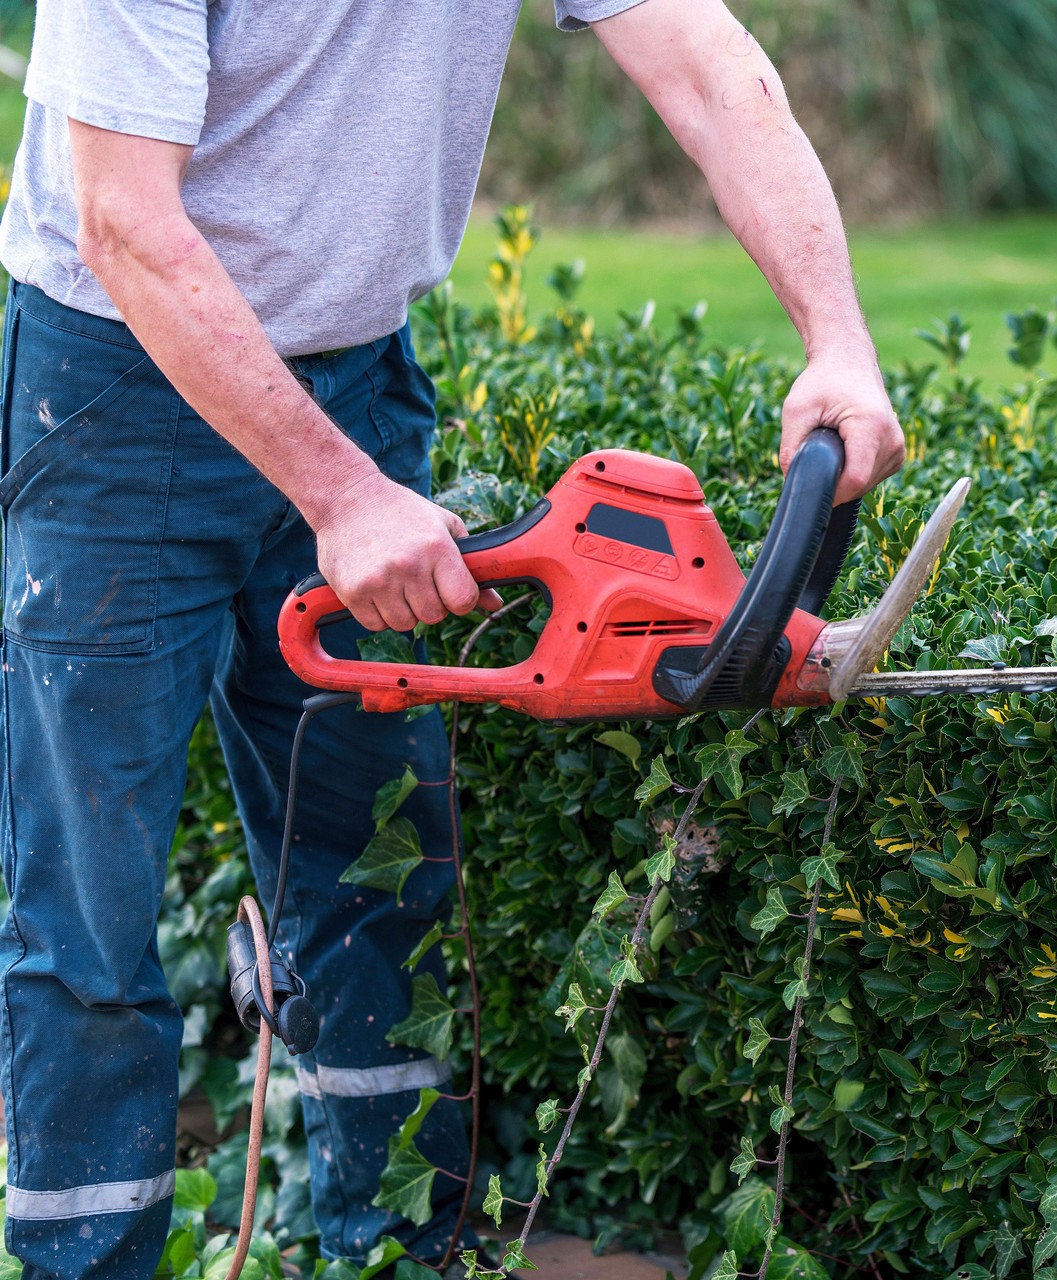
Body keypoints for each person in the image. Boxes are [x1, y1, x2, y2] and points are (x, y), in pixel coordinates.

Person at [0, 0, 906, 1274]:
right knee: (85, 906)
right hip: (118, 388)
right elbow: (127, 225)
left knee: (377, 867)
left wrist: (840, 341)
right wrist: (343, 494)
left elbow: (708, 69)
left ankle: (400, 1249)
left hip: (358, 370)